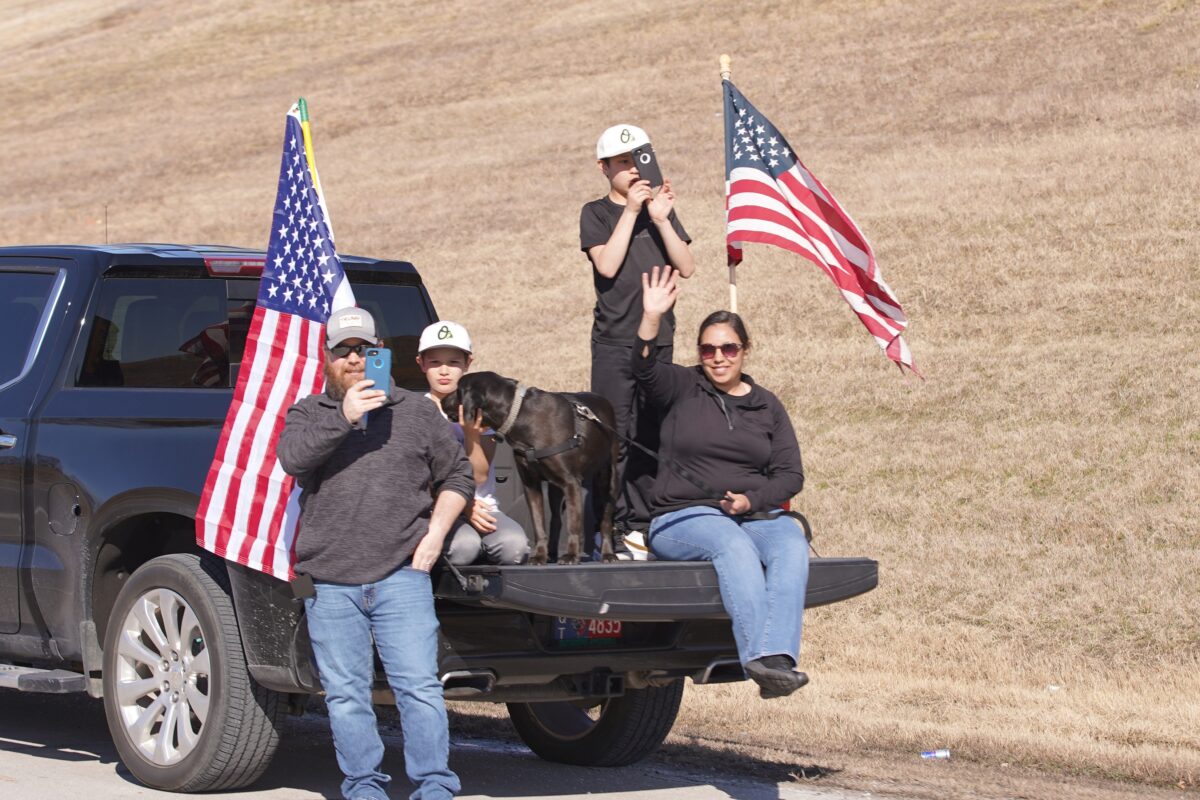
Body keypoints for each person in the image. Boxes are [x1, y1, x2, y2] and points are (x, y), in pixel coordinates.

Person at [277, 307, 468, 800]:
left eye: (365, 351)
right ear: (327, 360)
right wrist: (346, 416)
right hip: (330, 581)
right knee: (345, 696)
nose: (356, 361)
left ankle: (435, 787)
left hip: (401, 574)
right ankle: (364, 787)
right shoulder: (309, 413)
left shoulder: (417, 411)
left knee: (420, 689)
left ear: (381, 354)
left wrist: (434, 536)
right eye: (344, 352)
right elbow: (293, 461)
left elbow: (458, 476)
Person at [633, 267, 810, 699]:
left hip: (750, 516)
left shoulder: (767, 405)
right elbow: (643, 370)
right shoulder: (683, 386)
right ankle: (756, 659)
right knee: (730, 543)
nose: (718, 357)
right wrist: (651, 317)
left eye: (728, 348)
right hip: (681, 517)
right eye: (708, 349)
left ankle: (779, 659)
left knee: (789, 539)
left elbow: (791, 475)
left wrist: (751, 500)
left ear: (745, 350)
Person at [580, 123, 695, 551]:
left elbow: (686, 265)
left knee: (652, 433)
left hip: (659, 341)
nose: (632, 170)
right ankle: (609, 525)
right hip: (614, 342)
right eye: (623, 162)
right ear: (604, 167)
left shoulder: (659, 209)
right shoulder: (596, 213)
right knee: (614, 437)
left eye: (638, 160)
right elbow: (607, 266)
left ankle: (646, 525)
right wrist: (630, 211)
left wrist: (661, 220)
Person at [416, 320, 530, 566]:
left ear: (468, 364)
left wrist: (470, 435)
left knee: (514, 546)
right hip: (435, 508)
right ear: (421, 364)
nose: (444, 371)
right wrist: (463, 505)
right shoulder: (413, 412)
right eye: (435, 362)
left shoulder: (481, 410)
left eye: (453, 362)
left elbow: (478, 477)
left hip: (482, 506)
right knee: (463, 547)